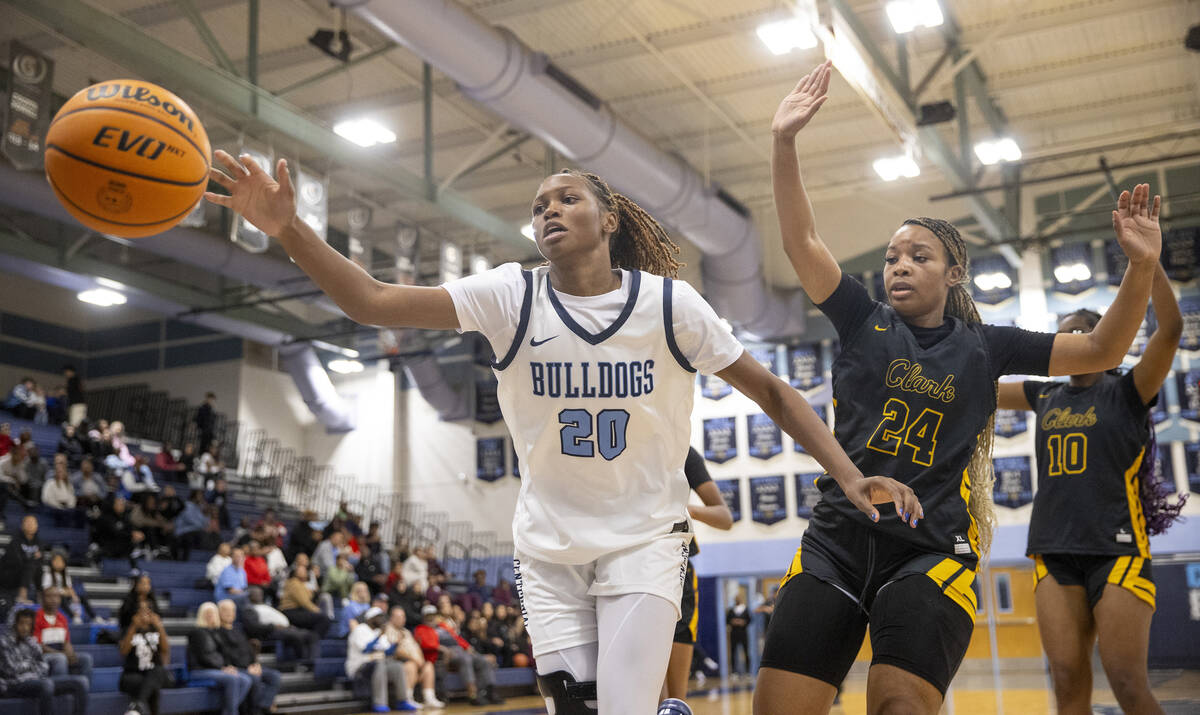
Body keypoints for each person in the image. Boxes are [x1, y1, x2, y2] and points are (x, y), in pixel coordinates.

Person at [205, 138, 915, 715]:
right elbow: (371, 299)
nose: (548, 209)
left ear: (608, 220)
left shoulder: (670, 305)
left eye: (567, 198)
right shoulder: (510, 295)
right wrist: (287, 229)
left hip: (644, 540)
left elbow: (775, 392)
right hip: (548, 551)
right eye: (538, 204)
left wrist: (848, 474)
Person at [755, 61, 1163, 715]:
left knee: (898, 705)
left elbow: (1104, 349)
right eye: (891, 256)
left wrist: (1141, 266)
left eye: (918, 255)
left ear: (954, 273)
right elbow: (801, 239)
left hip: (930, 550)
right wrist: (783, 141)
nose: (900, 265)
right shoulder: (863, 318)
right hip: (836, 536)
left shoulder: (986, 345)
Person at [997, 269, 1184, 714]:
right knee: (1066, 680)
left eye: (1083, 331)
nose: (1073, 339)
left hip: (1115, 549)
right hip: (1052, 549)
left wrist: (1149, 265)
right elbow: (977, 390)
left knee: (1126, 682)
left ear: (1105, 339)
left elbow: (1172, 331)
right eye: (1065, 335)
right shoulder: (1045, 394)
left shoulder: (1128, 390)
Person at [664, 446, 733, 699]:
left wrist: (684, 509)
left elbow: (724, 517)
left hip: (675, 562)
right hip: (625, 559)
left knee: (673, 698)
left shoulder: (683, 452)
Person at [0, 608, 88, 715]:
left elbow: (43, 666)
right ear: (14, 624)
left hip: (35, 680)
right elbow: (11, 670)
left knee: (81, 682)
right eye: (21, 623)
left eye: (28, 624)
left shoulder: (31, 642)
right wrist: (31, 665)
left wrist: (30, 667)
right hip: (14, 685)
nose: (25, 628)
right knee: (47, 684)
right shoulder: (4, 642)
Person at [347, 606, 419, 712]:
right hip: (359, 667)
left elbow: (387, 652)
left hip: (376, 665)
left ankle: (402, 701)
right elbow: (365, 649)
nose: (381, 620)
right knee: (379, 664)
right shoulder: (360, 629)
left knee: (397, 666)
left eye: (382, 617)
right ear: (370, 618)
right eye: (378, 617)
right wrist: (380, 635)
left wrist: (396, 643)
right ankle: (380, 703)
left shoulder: (378, 632)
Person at [216, 599, 281, 715]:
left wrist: (256, 664)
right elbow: (224, 654)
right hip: (236, 668)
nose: (229, 613)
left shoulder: (239, 631)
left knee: (274, 676)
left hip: (249, 666)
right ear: (219, 613)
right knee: (254, 679)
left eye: (232, 610)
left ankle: (263, 706)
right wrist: (245, 668)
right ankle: (253, 711)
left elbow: (248, 650)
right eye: (225, 610)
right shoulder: (217, 632)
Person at [187, 602, 251, 715]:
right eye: (207, 614)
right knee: (233, 679)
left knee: (246, 680)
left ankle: (227, 711)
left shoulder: (215, 633)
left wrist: (227, 667)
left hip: (215, 669)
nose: (210, 616)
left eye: (212, 614)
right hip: (199, 670)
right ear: (202, 615)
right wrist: (222, 668)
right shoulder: (197, 633)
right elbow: (204, 657)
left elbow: (224, 654)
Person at [383, 605, 444, 709]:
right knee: (411, 665)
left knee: (428, 665)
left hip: (415, 662)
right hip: (398, 663)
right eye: (398, 617)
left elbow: (416, 648)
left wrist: (420, 660)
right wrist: (414, 659)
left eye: (403, 617)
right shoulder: (387, 629)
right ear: (391, 618)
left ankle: (429, 698)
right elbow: (396, 651)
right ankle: (407, 698)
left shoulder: (406, 632)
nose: (401, 619)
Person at [239, 586, 319, 663]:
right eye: (256, 593)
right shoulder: (249, 609)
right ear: (250, 596)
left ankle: (313, 663)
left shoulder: (265, 605)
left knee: (312, 635)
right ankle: (302, 662)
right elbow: (254, 627)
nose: (259, 595)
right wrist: (273, 626)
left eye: (260, 593)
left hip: (286, 628)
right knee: (296, 636)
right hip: (271, 632)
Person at [119, 601, 172, 715]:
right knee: (151, 685)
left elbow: (165, 650)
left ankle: (137, 706)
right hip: (133, 674)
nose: (145, 614)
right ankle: (141, 707)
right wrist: (134, 626)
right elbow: (124, 651)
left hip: (154, 672)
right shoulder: (128, 630)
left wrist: (159, 626)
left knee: (157, 672)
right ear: (135, 614)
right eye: (141, 611)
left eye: (148, 611)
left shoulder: (156, 630)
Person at [33, 587, 93, 685]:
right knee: (60, 658)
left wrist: (70, 652)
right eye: (49, 596)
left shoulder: (62, 618)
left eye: (56, 596)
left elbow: (66, 641)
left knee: (86, 659)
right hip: (42, 655)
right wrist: (62, 654)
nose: (53, 599)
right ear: (42, 599)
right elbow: (38, 646)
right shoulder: (36, 617)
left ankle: (82, 691)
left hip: (60, 652)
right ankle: (61, 694)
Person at [42, 552, 98, 624]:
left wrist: (74, 596)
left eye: (60, 561)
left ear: (64, 563)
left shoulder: (65, 575)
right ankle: (74, 617)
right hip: (53, 597)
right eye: (56, 561)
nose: (58, 563)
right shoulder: (47, 575)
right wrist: (62, 592)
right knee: (62, 599)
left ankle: (94, 617)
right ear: (52, 563)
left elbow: (69, 588)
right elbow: (46, 589)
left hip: (65, 595)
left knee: (82, 597)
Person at [280, 563, 332, 638]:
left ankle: (309, 639)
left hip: (297, 610)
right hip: (290, 611)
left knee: (320, 619)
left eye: (304, 570)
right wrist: (317, 610)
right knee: (323, 619)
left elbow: (309, 597)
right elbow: (304, 602)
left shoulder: (302, 584)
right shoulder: (294, 583)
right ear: (295, 573)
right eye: (301, 571)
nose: (304, 572)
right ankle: (312, 640)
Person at [726, 591, 751, 682]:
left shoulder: (745, 609)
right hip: (734, 634)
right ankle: (734, 672)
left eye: (739, 598)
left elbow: (749, 620)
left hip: (743, 634)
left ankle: (748, 672)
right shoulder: (731, 610)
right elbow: (727, 620)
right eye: (736, 598)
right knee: (733, 652)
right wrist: (733, 621)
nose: (737, 599)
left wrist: (743, 622)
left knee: (746, 652)